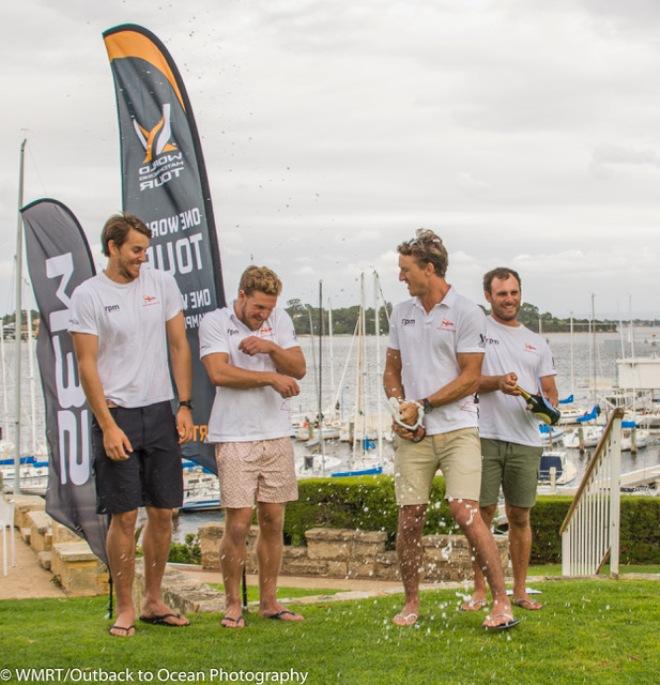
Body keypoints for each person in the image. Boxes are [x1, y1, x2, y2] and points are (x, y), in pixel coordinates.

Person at [383, 228, 518, 630]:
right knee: (409, 518)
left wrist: (422, 405)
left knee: (465, 510)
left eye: (406, 269)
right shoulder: (401, 312)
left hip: (458, 428)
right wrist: (398, 409)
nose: (401, 277)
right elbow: (391, 370)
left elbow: (470, 378)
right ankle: (411, 603)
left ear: (429, 268)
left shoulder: (466, 312)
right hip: (413, 433)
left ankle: (500, 602)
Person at [69, 213, 194, 637]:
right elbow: (87, 366)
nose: (143, 257)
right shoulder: (88, 295)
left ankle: (153, 601)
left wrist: (185, 405)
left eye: (145, 250)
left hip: (160, 411)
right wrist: (106, 425)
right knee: (123, 517)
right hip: (117, 414)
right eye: (136, 250)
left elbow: (179, 345)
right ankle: (124, 608)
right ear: (112, 247)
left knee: (163, 512)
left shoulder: (161, 284)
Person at [199, 265, 306, 629]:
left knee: (274, 521)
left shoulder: (279, 321)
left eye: (268, 310)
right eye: (258, 308)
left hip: (275, 432)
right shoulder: (215, 323)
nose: (263, 316)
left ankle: (270, 602)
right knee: (239, 523)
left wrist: (271, 346)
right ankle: (232, 604)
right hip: (233, 434)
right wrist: (271, 377)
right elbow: (219, 373)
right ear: (242, 295)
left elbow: (299, 368)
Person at [461, 267, 557, 613]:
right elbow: (465, 380)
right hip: (483, 435)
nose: (509, 299)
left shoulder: (537, 341)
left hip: (525, 440)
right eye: (502, 294)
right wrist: (497, 382)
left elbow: (551, 397)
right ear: (488, 296)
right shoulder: (477, 330)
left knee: (519, 516)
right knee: (481, 515)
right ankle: (479, 592)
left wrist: (540, 404)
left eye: (514, 292)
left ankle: (519, 590)